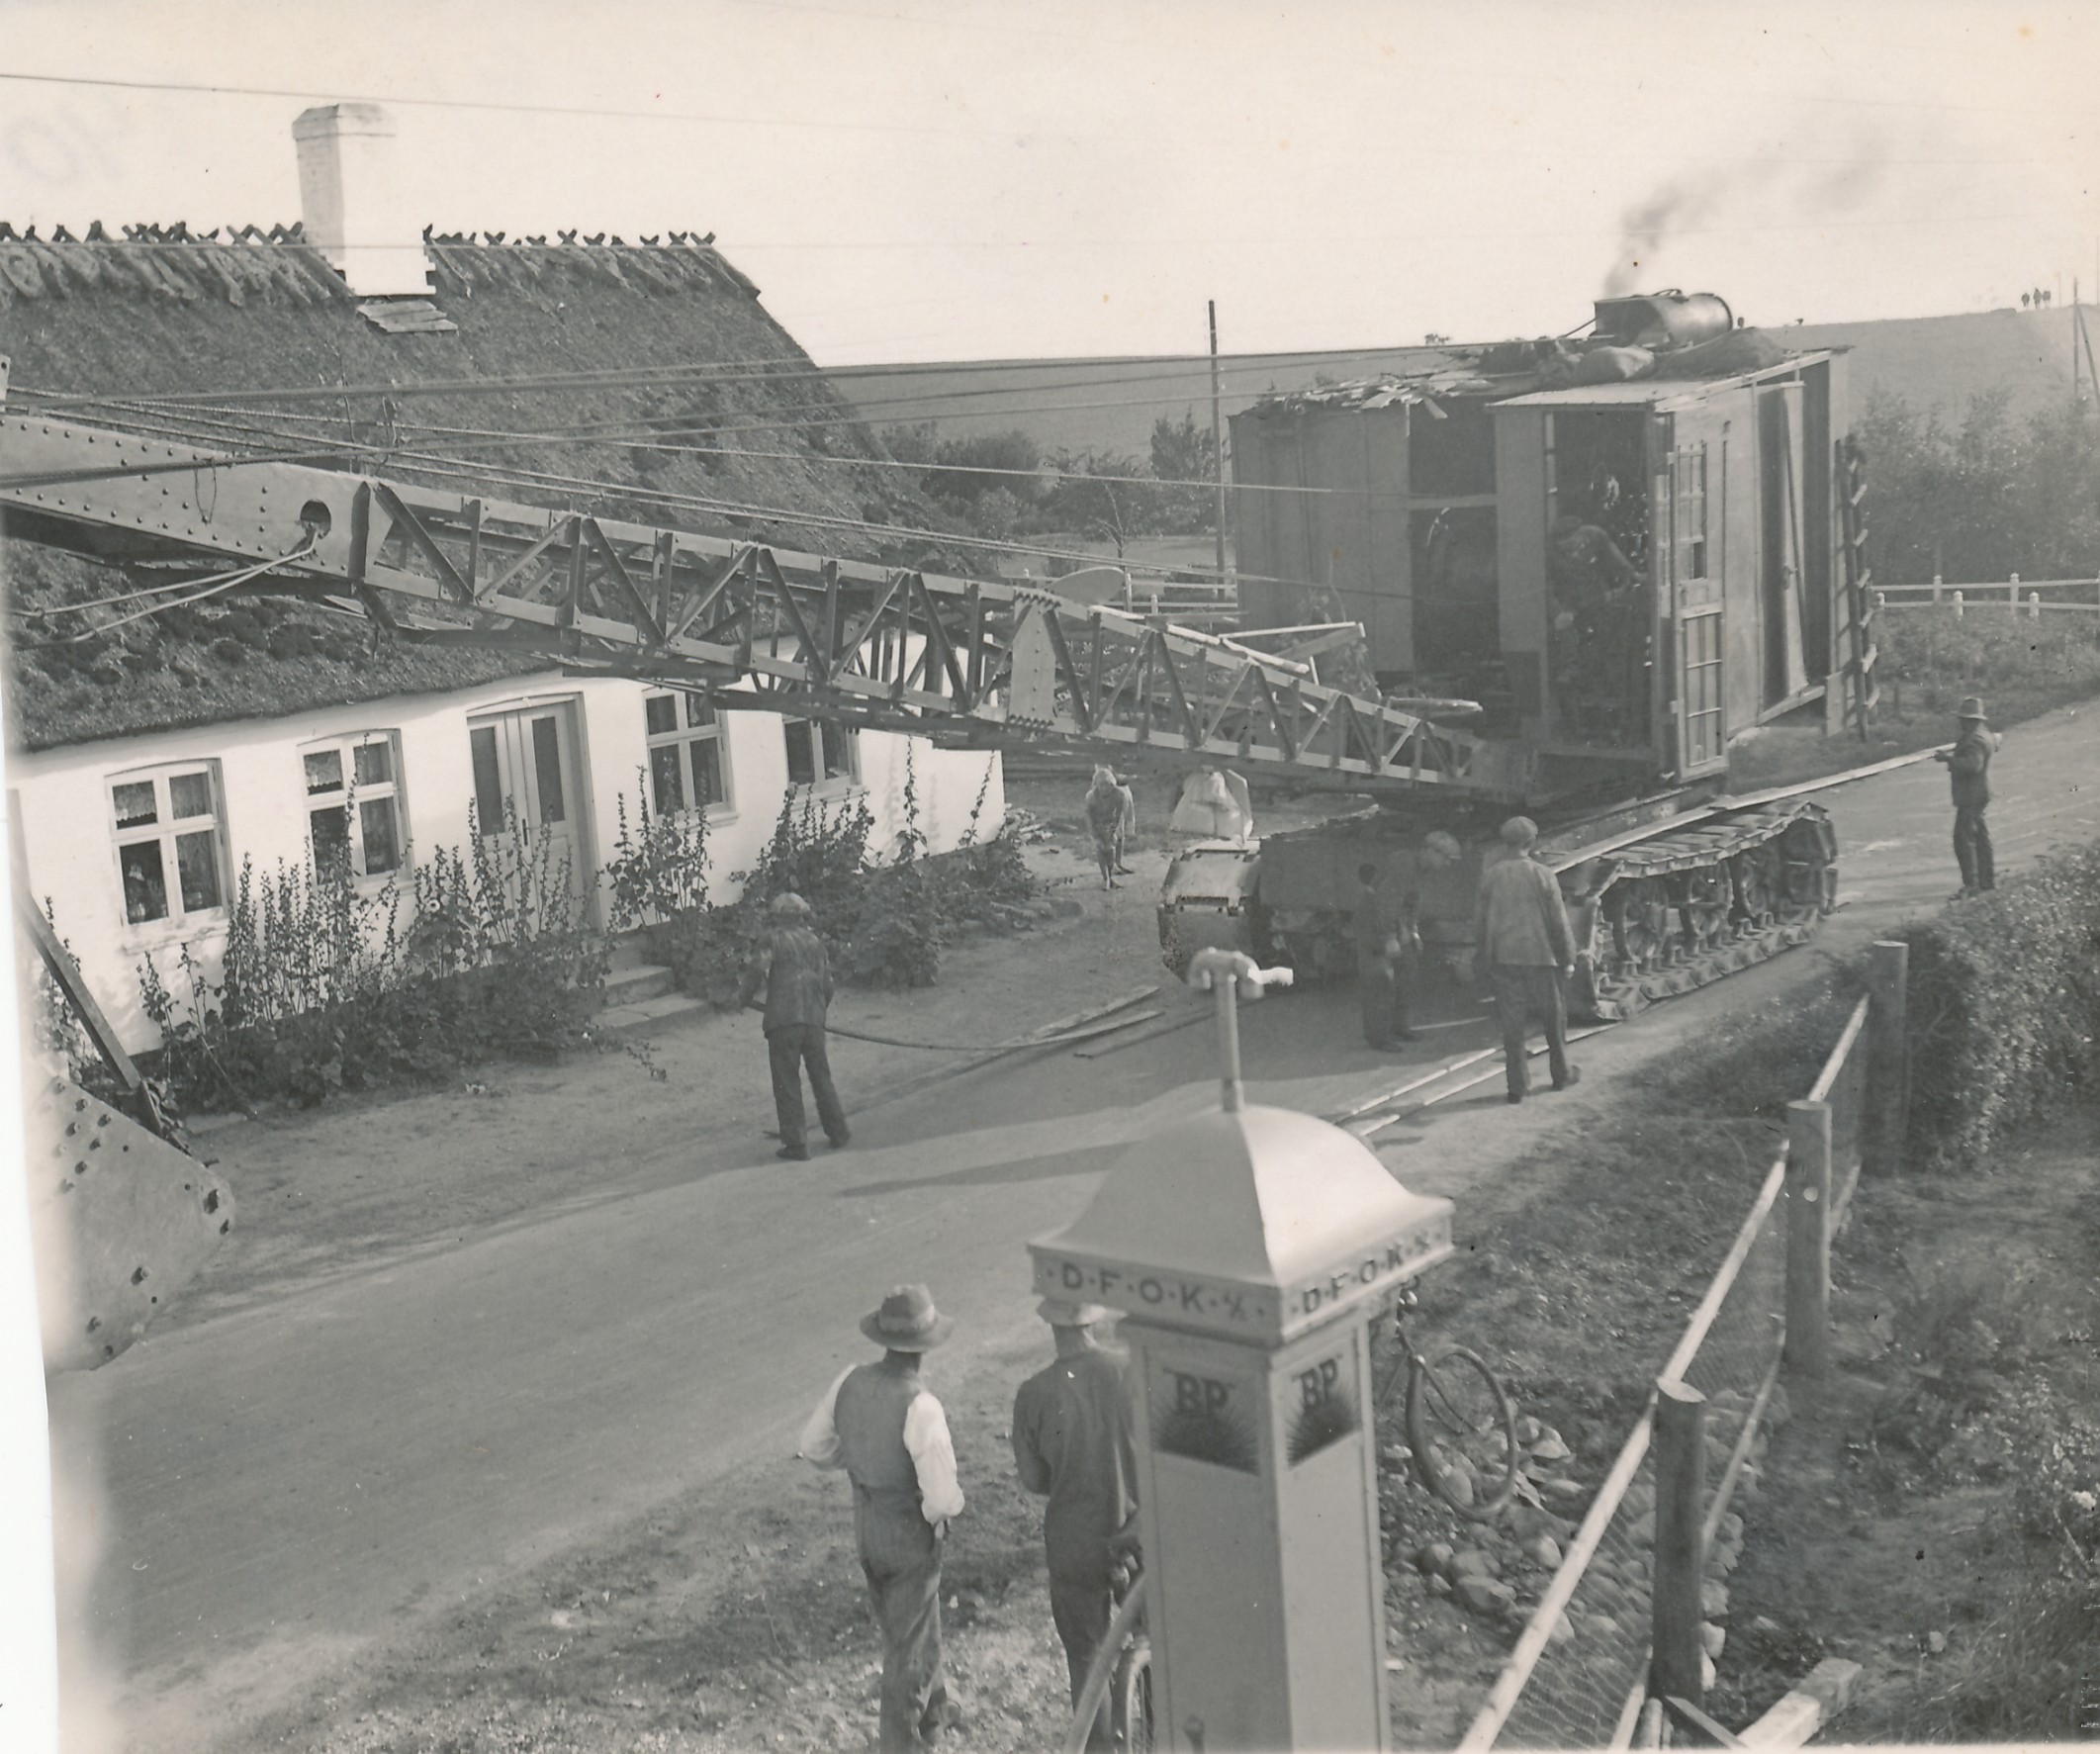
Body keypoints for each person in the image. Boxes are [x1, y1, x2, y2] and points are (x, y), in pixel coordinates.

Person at [799, 1284, 966, 1751]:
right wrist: (939, 1513)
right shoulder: (921, 1405)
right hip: (908, 1535)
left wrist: (863, 1466)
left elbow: (814, 1447)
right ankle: (901, 1742)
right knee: (907, 1649)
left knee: (908, 1625)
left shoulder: (849, 1380)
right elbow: (942, 1497)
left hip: (867, 1526)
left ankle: (937, 1711)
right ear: (925, 1346)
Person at [1011, 1299, 1140, 1753]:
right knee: (1157, 1645)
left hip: (1074, 1540)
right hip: (1138, 1531)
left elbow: (1033, 1479)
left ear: (1050, 1323)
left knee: (1087, 1659)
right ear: (1094, 1319)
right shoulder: (1130, 1371)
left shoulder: (1034, 1393)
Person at [1473, 816, 1580, 1104]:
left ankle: (1517, 1087)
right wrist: (1568, 958)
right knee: (1553, 1019)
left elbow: (1480, 923)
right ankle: (1561, 1075)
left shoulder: (1491, 876)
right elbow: (1558, 922)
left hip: (1504, 959)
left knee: (1512, 1024)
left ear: (1505, 842)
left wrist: (1484, 956)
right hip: (1541, 958)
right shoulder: (1543, 874)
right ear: (1531, 842)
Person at [743, 891, 850, 1160]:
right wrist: (818, 1013)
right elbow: (828, 986)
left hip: (783, 1020)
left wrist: (741, 998)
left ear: (775, 917)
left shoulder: (772, 940)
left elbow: (756, 971)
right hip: (813, 1020)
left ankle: (796, 1143)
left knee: (786, 1081)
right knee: (821, 1076)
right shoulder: (815, 942)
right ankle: (838, 1132)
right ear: (802, 917)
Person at [1932, 696, 2000, 897]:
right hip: (1979, 793)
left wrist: (1948, 759)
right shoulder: (1983, 735)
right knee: (1980, 838)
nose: (1960, 722)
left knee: (1963, 839)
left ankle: (1972, 884)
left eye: (1963, 719)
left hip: (1972, 795)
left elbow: (1972, 765)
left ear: (1972, 720)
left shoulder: (1975, 739)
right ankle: (1987, 881)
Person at [1353, 861, 1409, 1050]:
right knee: (1379, 997)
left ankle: (1380, 1035)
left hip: (1374, 954)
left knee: (1380, 996)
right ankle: (1380, 1039)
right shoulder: (1371, 902)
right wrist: (1385, 946)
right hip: (1375, 955)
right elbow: (1369, 931)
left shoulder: (1369, 899)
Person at [1084, 766, 1130, 889]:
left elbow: (1119, 814)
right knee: (1100, 847)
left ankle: (1110, 874)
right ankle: (1105, 878)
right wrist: (1094, 833)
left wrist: (1113, 830)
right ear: (1096, 785)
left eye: (1107, 785)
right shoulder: (1091, 797)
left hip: (1111, 823)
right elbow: (1089, 816)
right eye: (1101, 785)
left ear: (1112, 784)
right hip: (1097, 823)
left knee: (1111, 848)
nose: (1104, 788)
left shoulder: (1119, 794)